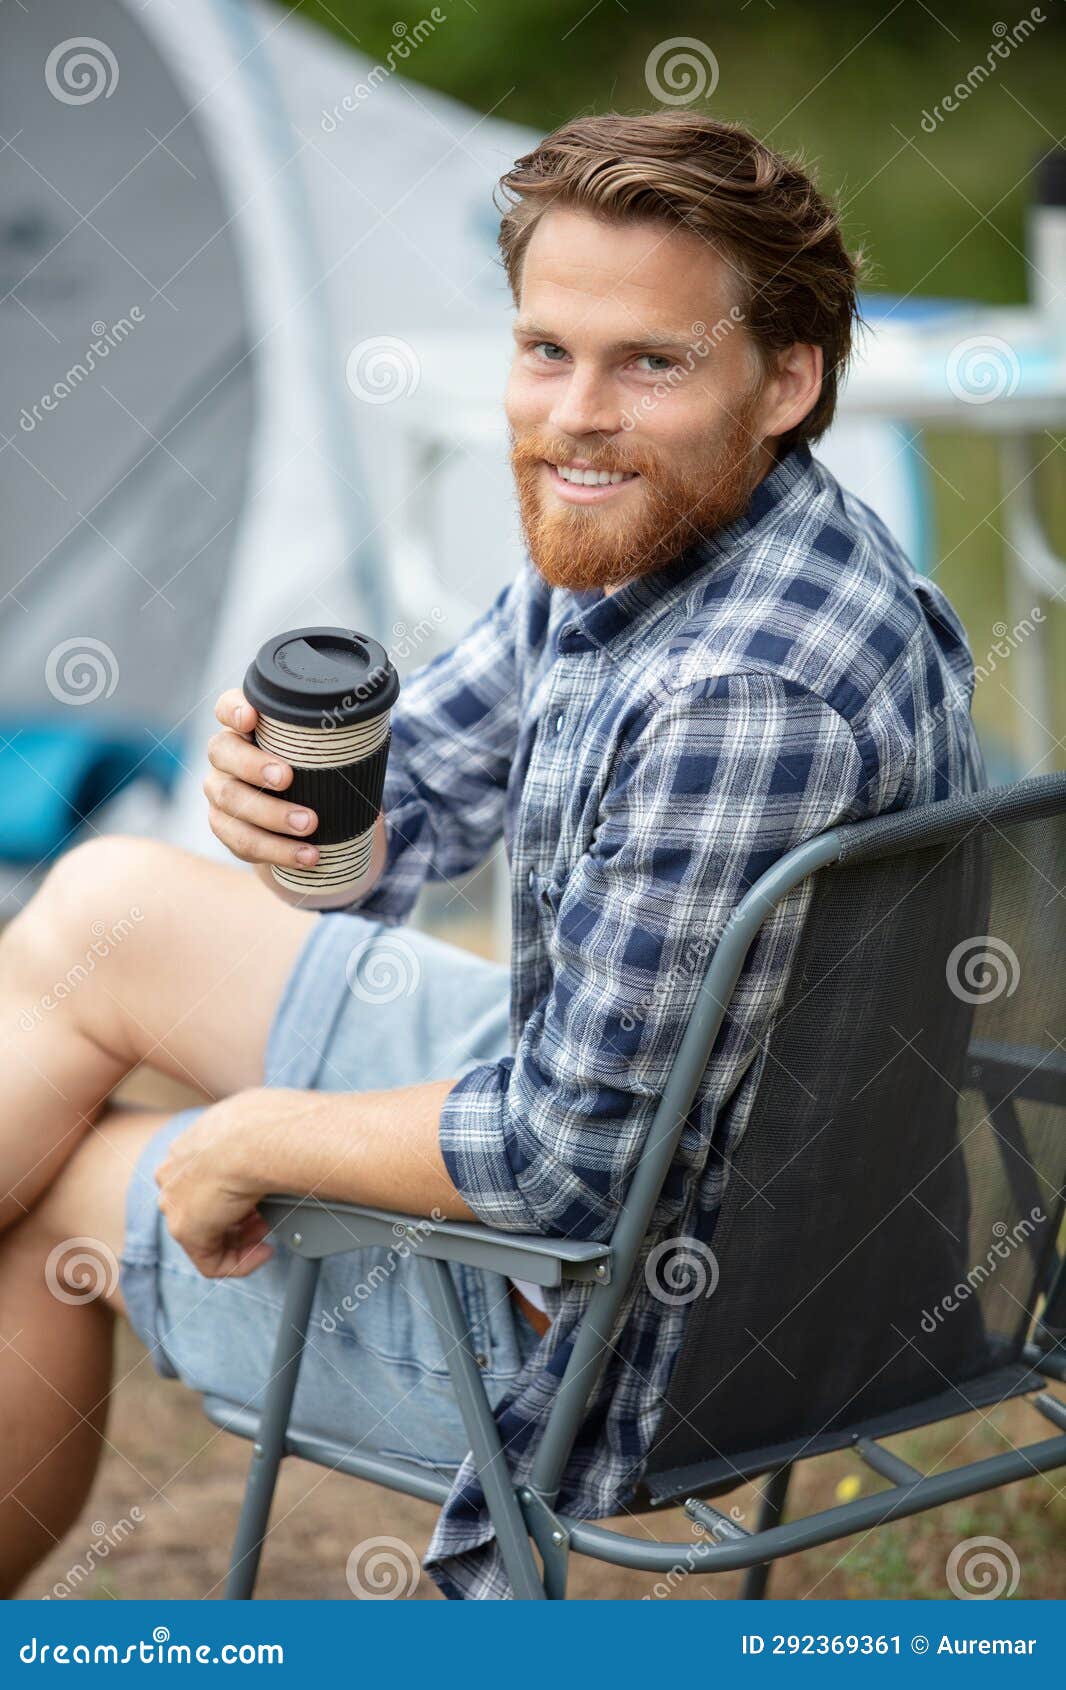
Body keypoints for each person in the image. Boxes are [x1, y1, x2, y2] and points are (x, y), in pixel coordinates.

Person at [0, 112, 984, 1600]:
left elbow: (562, 1166)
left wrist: (249, 1134)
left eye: (649, 361)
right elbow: (413, 824)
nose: (573, 414)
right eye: (544, 351)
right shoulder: (676, 527)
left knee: (62, 1197)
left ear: (785, 380)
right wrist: (301, 823)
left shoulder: (743, 694)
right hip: (652, 1109)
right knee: (103, 905)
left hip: (655, 1315)